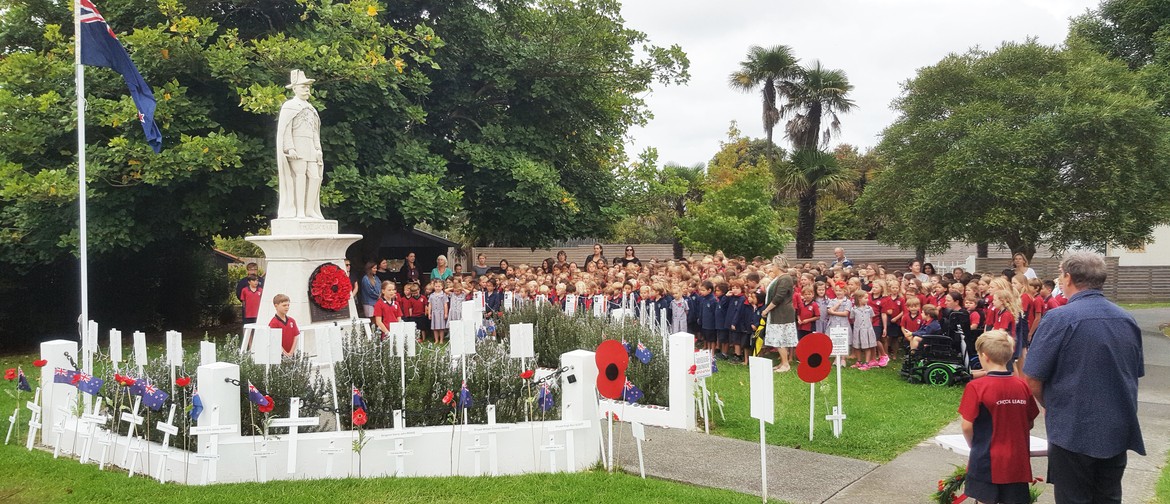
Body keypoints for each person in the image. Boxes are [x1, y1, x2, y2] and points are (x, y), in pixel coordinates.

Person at [1024, 252, 1145, 504]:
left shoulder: (1059, 318)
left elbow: (1033, 378)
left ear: (1068, 277)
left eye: (1060, 274)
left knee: (1073, 498)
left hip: (1073, 428)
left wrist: (1051, 406)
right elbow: (1133, 372)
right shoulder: (1126, 318)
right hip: (1117, 424)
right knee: (1109, 497)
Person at [960, 330, 1040, 504]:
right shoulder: (1022, 386)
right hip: (1017, 461)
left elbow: (967, 426)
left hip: (987, 459)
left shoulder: (976, 387)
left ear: (984, 356)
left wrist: (974, 445)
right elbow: (1031, 420)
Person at [276, 70, 324, 219]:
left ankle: (310, 209)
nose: (306, 89)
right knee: (300, 176)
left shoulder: (311, 108)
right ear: (295, 88)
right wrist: (290, 147)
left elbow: (314, 130)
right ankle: (300, 211)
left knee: (315, 177)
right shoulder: (289, 106)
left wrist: (318, 148)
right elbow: (285, 129)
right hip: (297, 146)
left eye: (308, 87)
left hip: (310, 146)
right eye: (303, 86)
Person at [762, 261, 797, 373]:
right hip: (777, 312)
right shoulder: (779, 278)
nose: (772, 267)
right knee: (778, 338)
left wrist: (766, 310)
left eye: (773, 265)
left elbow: (778, 297)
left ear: (778, 266)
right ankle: (783, 362)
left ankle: (786, 364)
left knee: (780, 338)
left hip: (782, 313)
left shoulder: (785, 278)